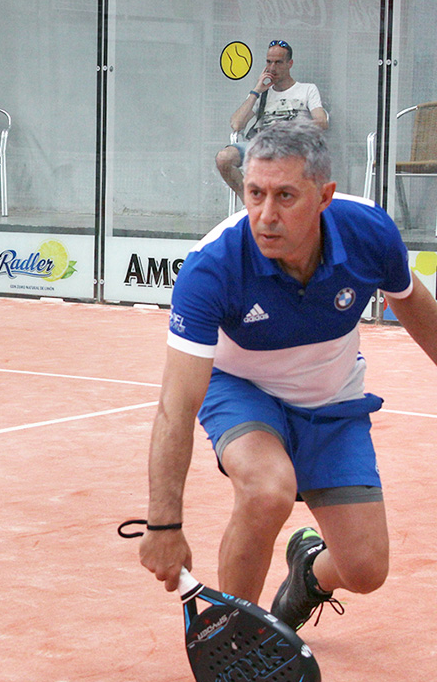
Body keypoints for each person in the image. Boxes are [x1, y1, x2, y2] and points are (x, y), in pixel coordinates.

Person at [139, 121, 437, 640]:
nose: (266, 215)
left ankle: (308, 574)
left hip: (333, 398)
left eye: (285, 196)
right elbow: (176, 405)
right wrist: (165, 522)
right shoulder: (213, 265)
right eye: (255, 193)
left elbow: (412, 303)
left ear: (324, 196)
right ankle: (235, 646)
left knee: (366, 570)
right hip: (241, 390)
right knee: (268, 490)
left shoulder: (370, 232)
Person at [215, 40, 328, 199]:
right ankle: (250, 201)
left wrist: (290, 129)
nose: (272, 68)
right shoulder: (261, 94)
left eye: (278, 62)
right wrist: (256, 90)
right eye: (269, 62)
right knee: (224, 158)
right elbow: (236, 124)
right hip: (262, 146)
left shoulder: (307, 89)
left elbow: (322, 122)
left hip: (292, 147)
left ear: (289, 64)